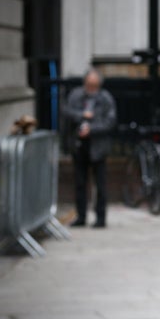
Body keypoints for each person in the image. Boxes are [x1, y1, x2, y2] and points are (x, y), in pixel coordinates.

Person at [63, 68, 117, 228]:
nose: (91, 88)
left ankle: (100, 217)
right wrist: (81, 116)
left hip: (98, 147)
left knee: (100, 183)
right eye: (89, 84)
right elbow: (66, 111)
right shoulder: (75, 95)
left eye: (94, 85)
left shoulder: (105, 98)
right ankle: (81, 215)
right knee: (80, 182)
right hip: (79, 145)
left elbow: (110, 121)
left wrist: (92, 129)